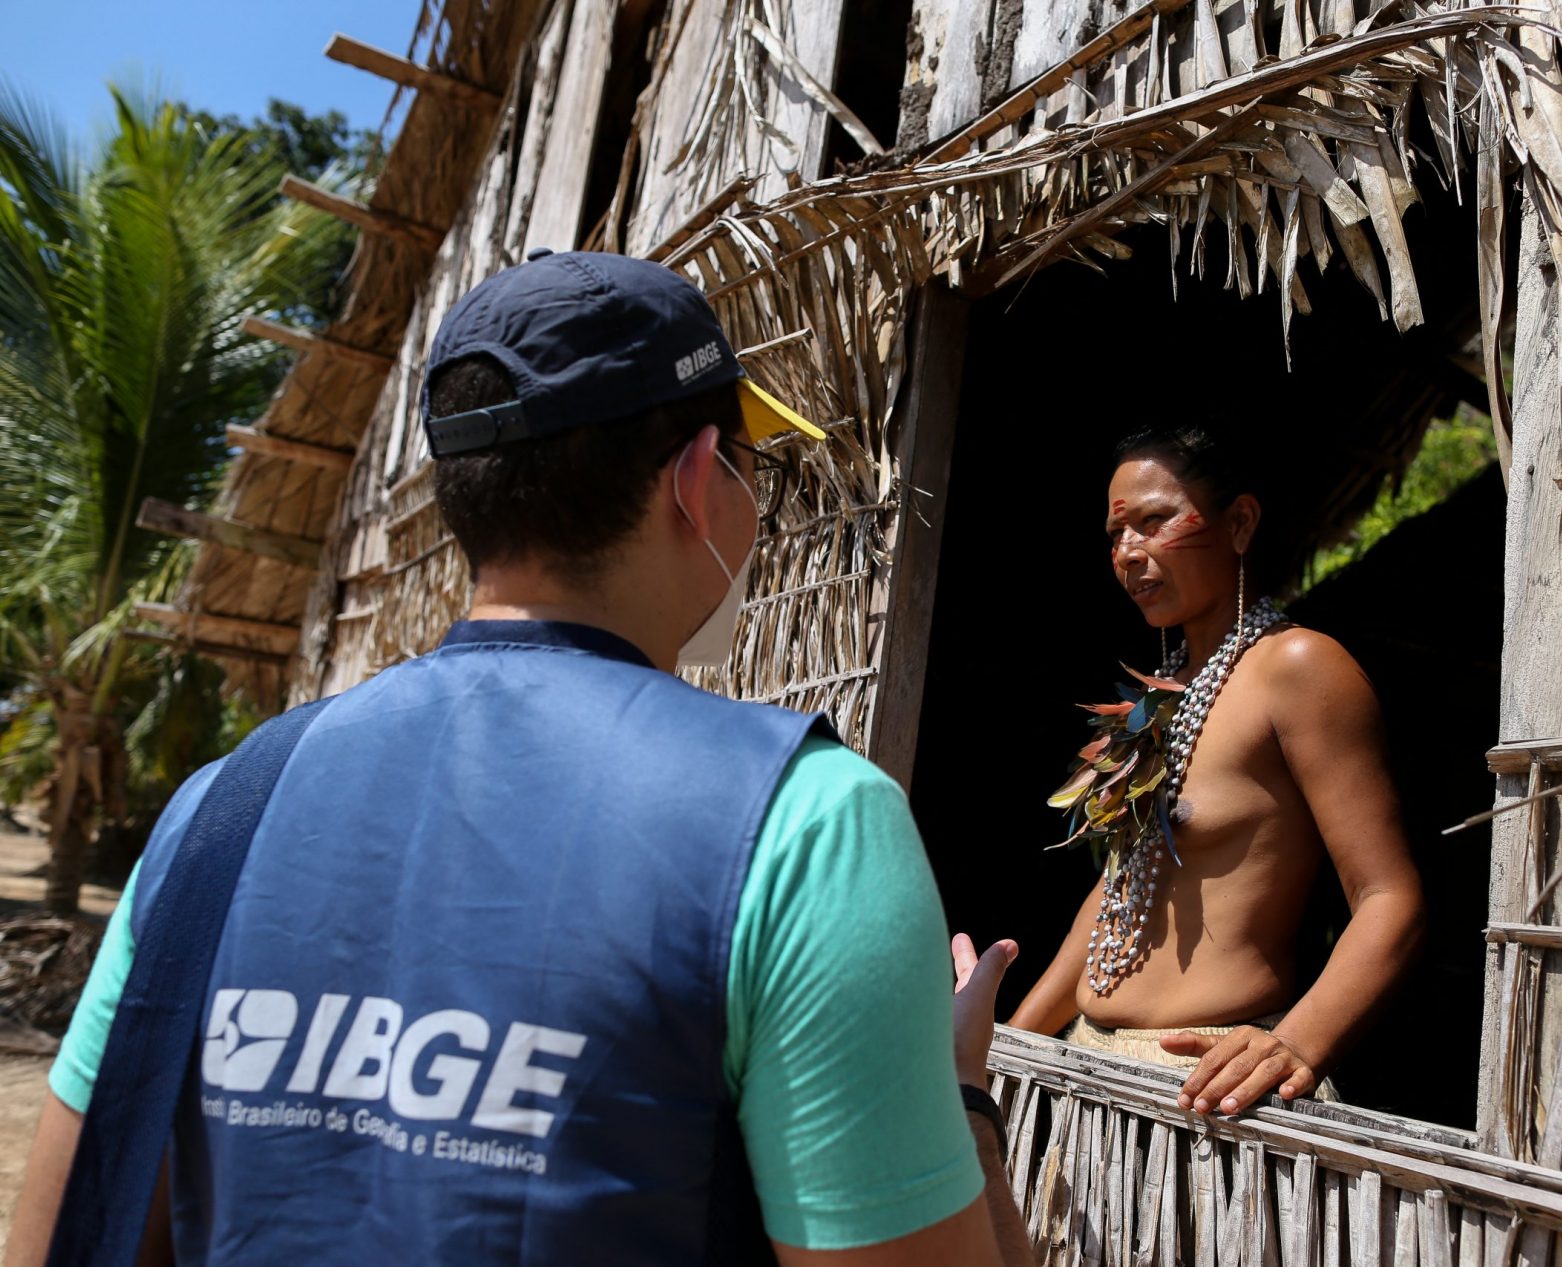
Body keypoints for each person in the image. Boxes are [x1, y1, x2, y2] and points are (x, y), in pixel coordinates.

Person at [8, 251, 1033, 1267]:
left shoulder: (220, 811)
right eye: (746, 467)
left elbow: (70, 1222)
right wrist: (954, 1106)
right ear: (693, 481)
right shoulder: (804, 825)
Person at [1008, 425, 1424, 1117]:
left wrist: (1298, 1044)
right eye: (1116, 535)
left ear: (1238, 523)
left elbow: (1390, 898)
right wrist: (1002, 1054)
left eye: (1153, 521)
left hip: (1211, 1093)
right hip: (1087, 1068)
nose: (1128, 553)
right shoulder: (1160, 697)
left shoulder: (1297, 668)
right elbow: (1117, 900)